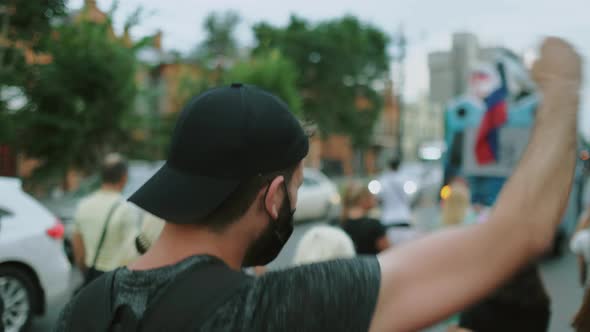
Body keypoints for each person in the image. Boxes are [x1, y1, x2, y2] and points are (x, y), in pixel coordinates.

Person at [57, 38, 581, 332]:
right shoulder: (276, 311)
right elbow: (519, 233)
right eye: (297, 187)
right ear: (273, 197)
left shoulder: (81, 310)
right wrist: (561, 89)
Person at [71, 153, 141, 284]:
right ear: (124, 177)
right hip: (115, 278)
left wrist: (85, 271)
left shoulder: (83, 205)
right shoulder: (126, 209)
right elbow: (131, 254)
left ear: (101, 176)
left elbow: (78, 247)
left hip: (92, 276)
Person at [341, 181, 390, 254]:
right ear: (364, 200)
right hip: (373, 264)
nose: (375, 199)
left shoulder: (342, 224)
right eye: (372, 197)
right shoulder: (374, 225)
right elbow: (387, 251)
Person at [377, 157, 412, 227]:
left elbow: (379, 198)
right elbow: (409, 197)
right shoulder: (404, 179)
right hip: (403, 216)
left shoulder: (383, 180)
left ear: (389, 166)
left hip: (387, 218)